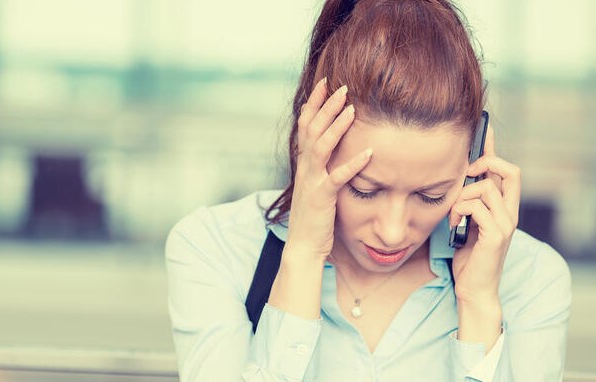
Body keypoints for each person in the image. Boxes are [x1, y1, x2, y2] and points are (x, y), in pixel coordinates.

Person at [165, 0, 571, 381]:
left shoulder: (530, 279)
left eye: (430, 195)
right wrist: (303, 255)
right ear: (314, 139)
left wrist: (479, 304)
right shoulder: (214, 249)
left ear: (473, 161)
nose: (393, 232)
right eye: (364, 189)